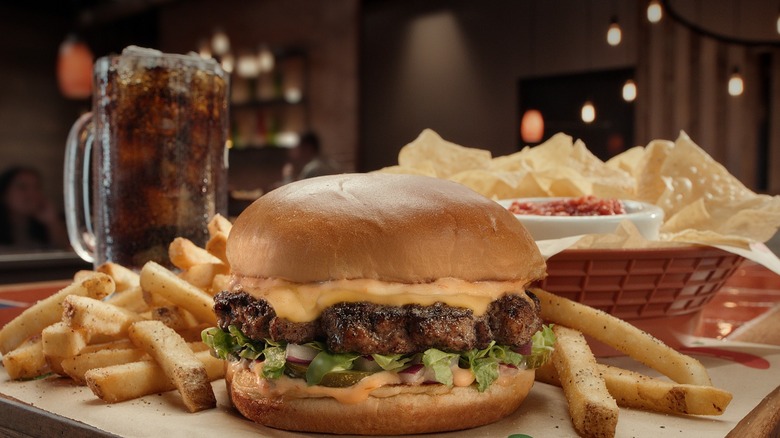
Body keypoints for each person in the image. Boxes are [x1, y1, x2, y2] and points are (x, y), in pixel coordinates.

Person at [0, 166, 69, 252]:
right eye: (22, 187)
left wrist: (52, 222)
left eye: (37, 187)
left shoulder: (51, 224)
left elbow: (68, 252)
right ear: (4, 194)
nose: (32, 194)